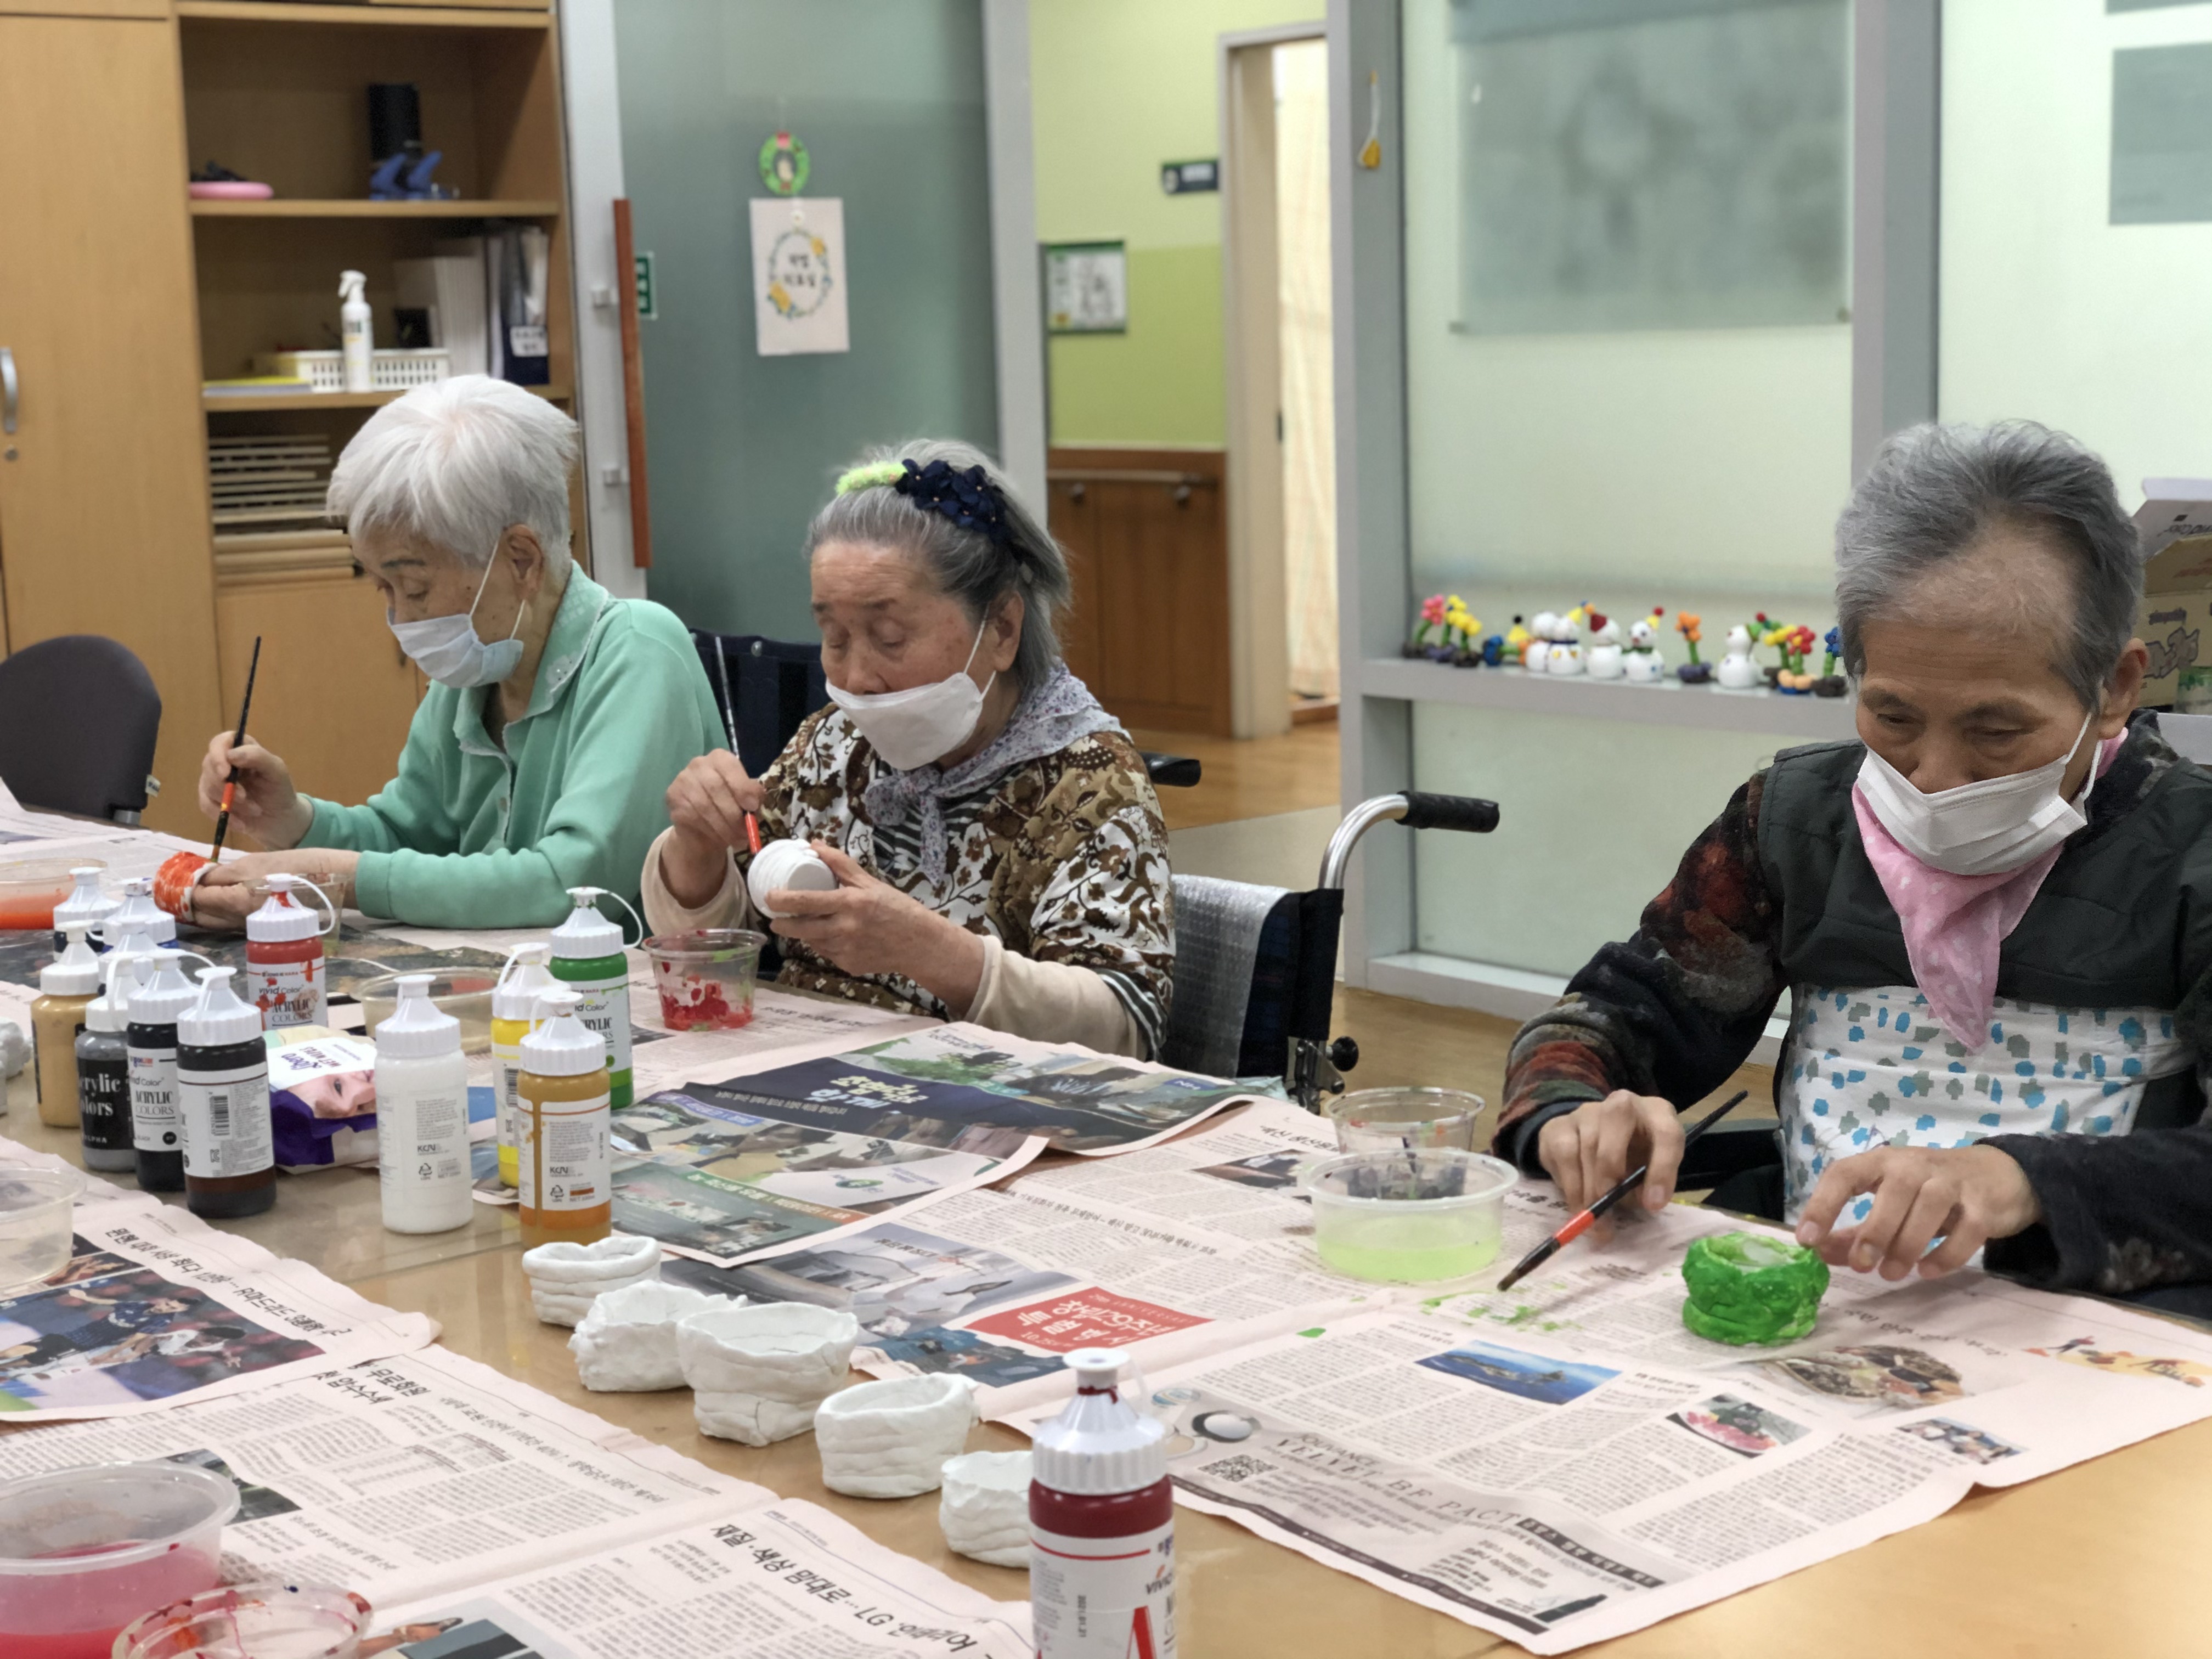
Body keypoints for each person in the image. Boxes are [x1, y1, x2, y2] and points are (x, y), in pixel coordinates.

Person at [1493, 420, 2212, 1314]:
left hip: (2101, 1333)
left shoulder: (2190, 851)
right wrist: (1573, 1111)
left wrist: (2024, 1179)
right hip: (1826, 1308)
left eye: (1996, 729)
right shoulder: (1795, 825)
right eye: (1893, 718)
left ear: (2114, 689)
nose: (1934, 777)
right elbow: (1614, 1017)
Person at [642, 440, 1174, 1058]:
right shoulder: (834, 745)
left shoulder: (1088, 781)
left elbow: (1125, 1026)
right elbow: (723, 941)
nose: (857, 678)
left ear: (1002, 630)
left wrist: (933, 953)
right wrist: (697, 846)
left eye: (890, 637)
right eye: (834, 637)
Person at [190, 377, 725, 929]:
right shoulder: (476, 671)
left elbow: (570, 884)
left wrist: (337, 878)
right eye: (383, 589)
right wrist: (291, 819)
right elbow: (406, 838)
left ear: (521, 560)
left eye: (415, 588)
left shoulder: (637, 651)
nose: (400, 620)